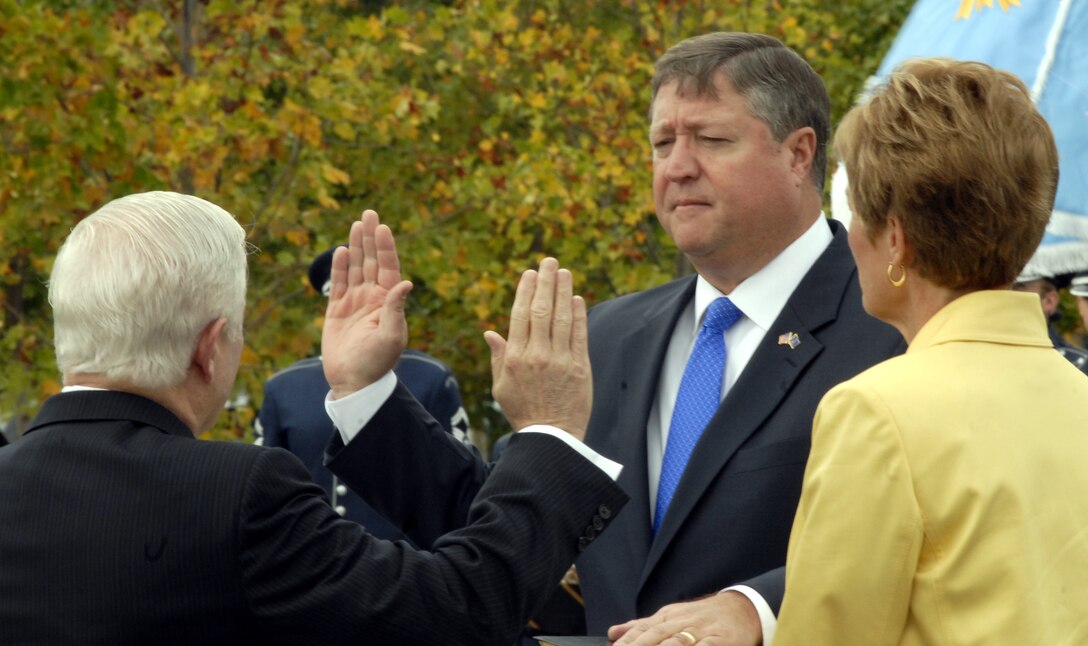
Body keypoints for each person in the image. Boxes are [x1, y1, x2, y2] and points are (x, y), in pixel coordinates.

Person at [338, 32, 904, 645]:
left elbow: (922, 533)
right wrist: (364, 392)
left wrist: (758, 608)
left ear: (799, 155)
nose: (678, 167)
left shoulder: (895, 322)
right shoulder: (606, 337)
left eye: (712, 139)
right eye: (663, 144)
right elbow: (508, 530)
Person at [0, 191, 628, 644]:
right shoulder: (236, 496)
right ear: (209, 347)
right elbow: (458, 612)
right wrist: (549, 430)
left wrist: (361, 390)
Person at [774, 58, 1088, 644]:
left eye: (854, 213)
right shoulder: (1079, 394)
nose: (851, 239)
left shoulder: (877, 411)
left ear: (894, 238)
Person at [257, 245, 471, 537]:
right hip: (310, 563)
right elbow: (267, 487)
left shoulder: (431, 377)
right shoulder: (284, 386)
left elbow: (459, 485)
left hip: (405, 563)